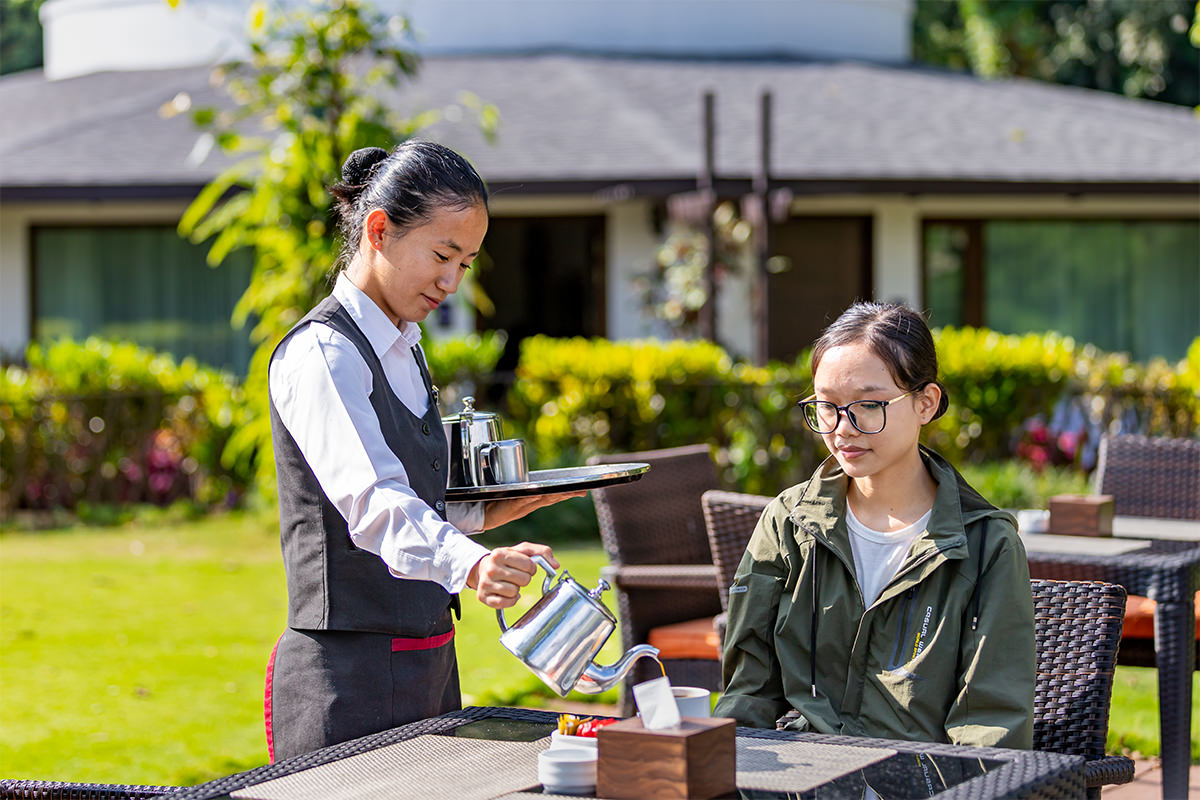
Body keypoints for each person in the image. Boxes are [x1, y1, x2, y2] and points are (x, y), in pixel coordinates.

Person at [265, 140, 581, 761]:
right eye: (442, 255)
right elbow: (374, 503)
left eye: (465, 264)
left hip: (428, 655)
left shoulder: (406, 346)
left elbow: (416, 491)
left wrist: (489, 514)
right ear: (378, 230)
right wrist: (472, 565)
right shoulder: (322, 354)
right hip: (345, 674)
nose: (451, 282)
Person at [713, 301, 1035, 749]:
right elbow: (749, 695)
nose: (843, 428)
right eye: (827, 406)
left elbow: (989, 730)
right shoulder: (788, 524)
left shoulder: (986, 546)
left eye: (868, 405)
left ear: (926, 403)